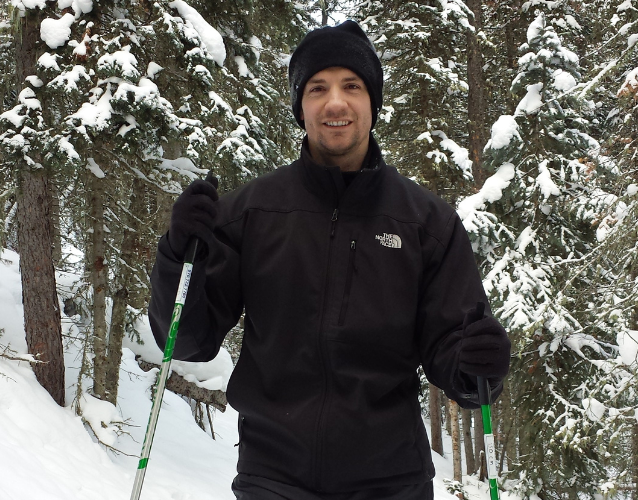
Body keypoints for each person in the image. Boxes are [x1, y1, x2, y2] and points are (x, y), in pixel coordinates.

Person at [148, 20, 511, 500]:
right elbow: (188, 341)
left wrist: (477, 362)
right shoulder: (251, 211)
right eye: (317, 87)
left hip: (393, 480)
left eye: (352, 86)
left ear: (372, 103)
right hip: (273, 477)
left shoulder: (426, 223)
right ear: (301, 106)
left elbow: (457, 357)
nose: (335, 102)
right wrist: (179, 253)